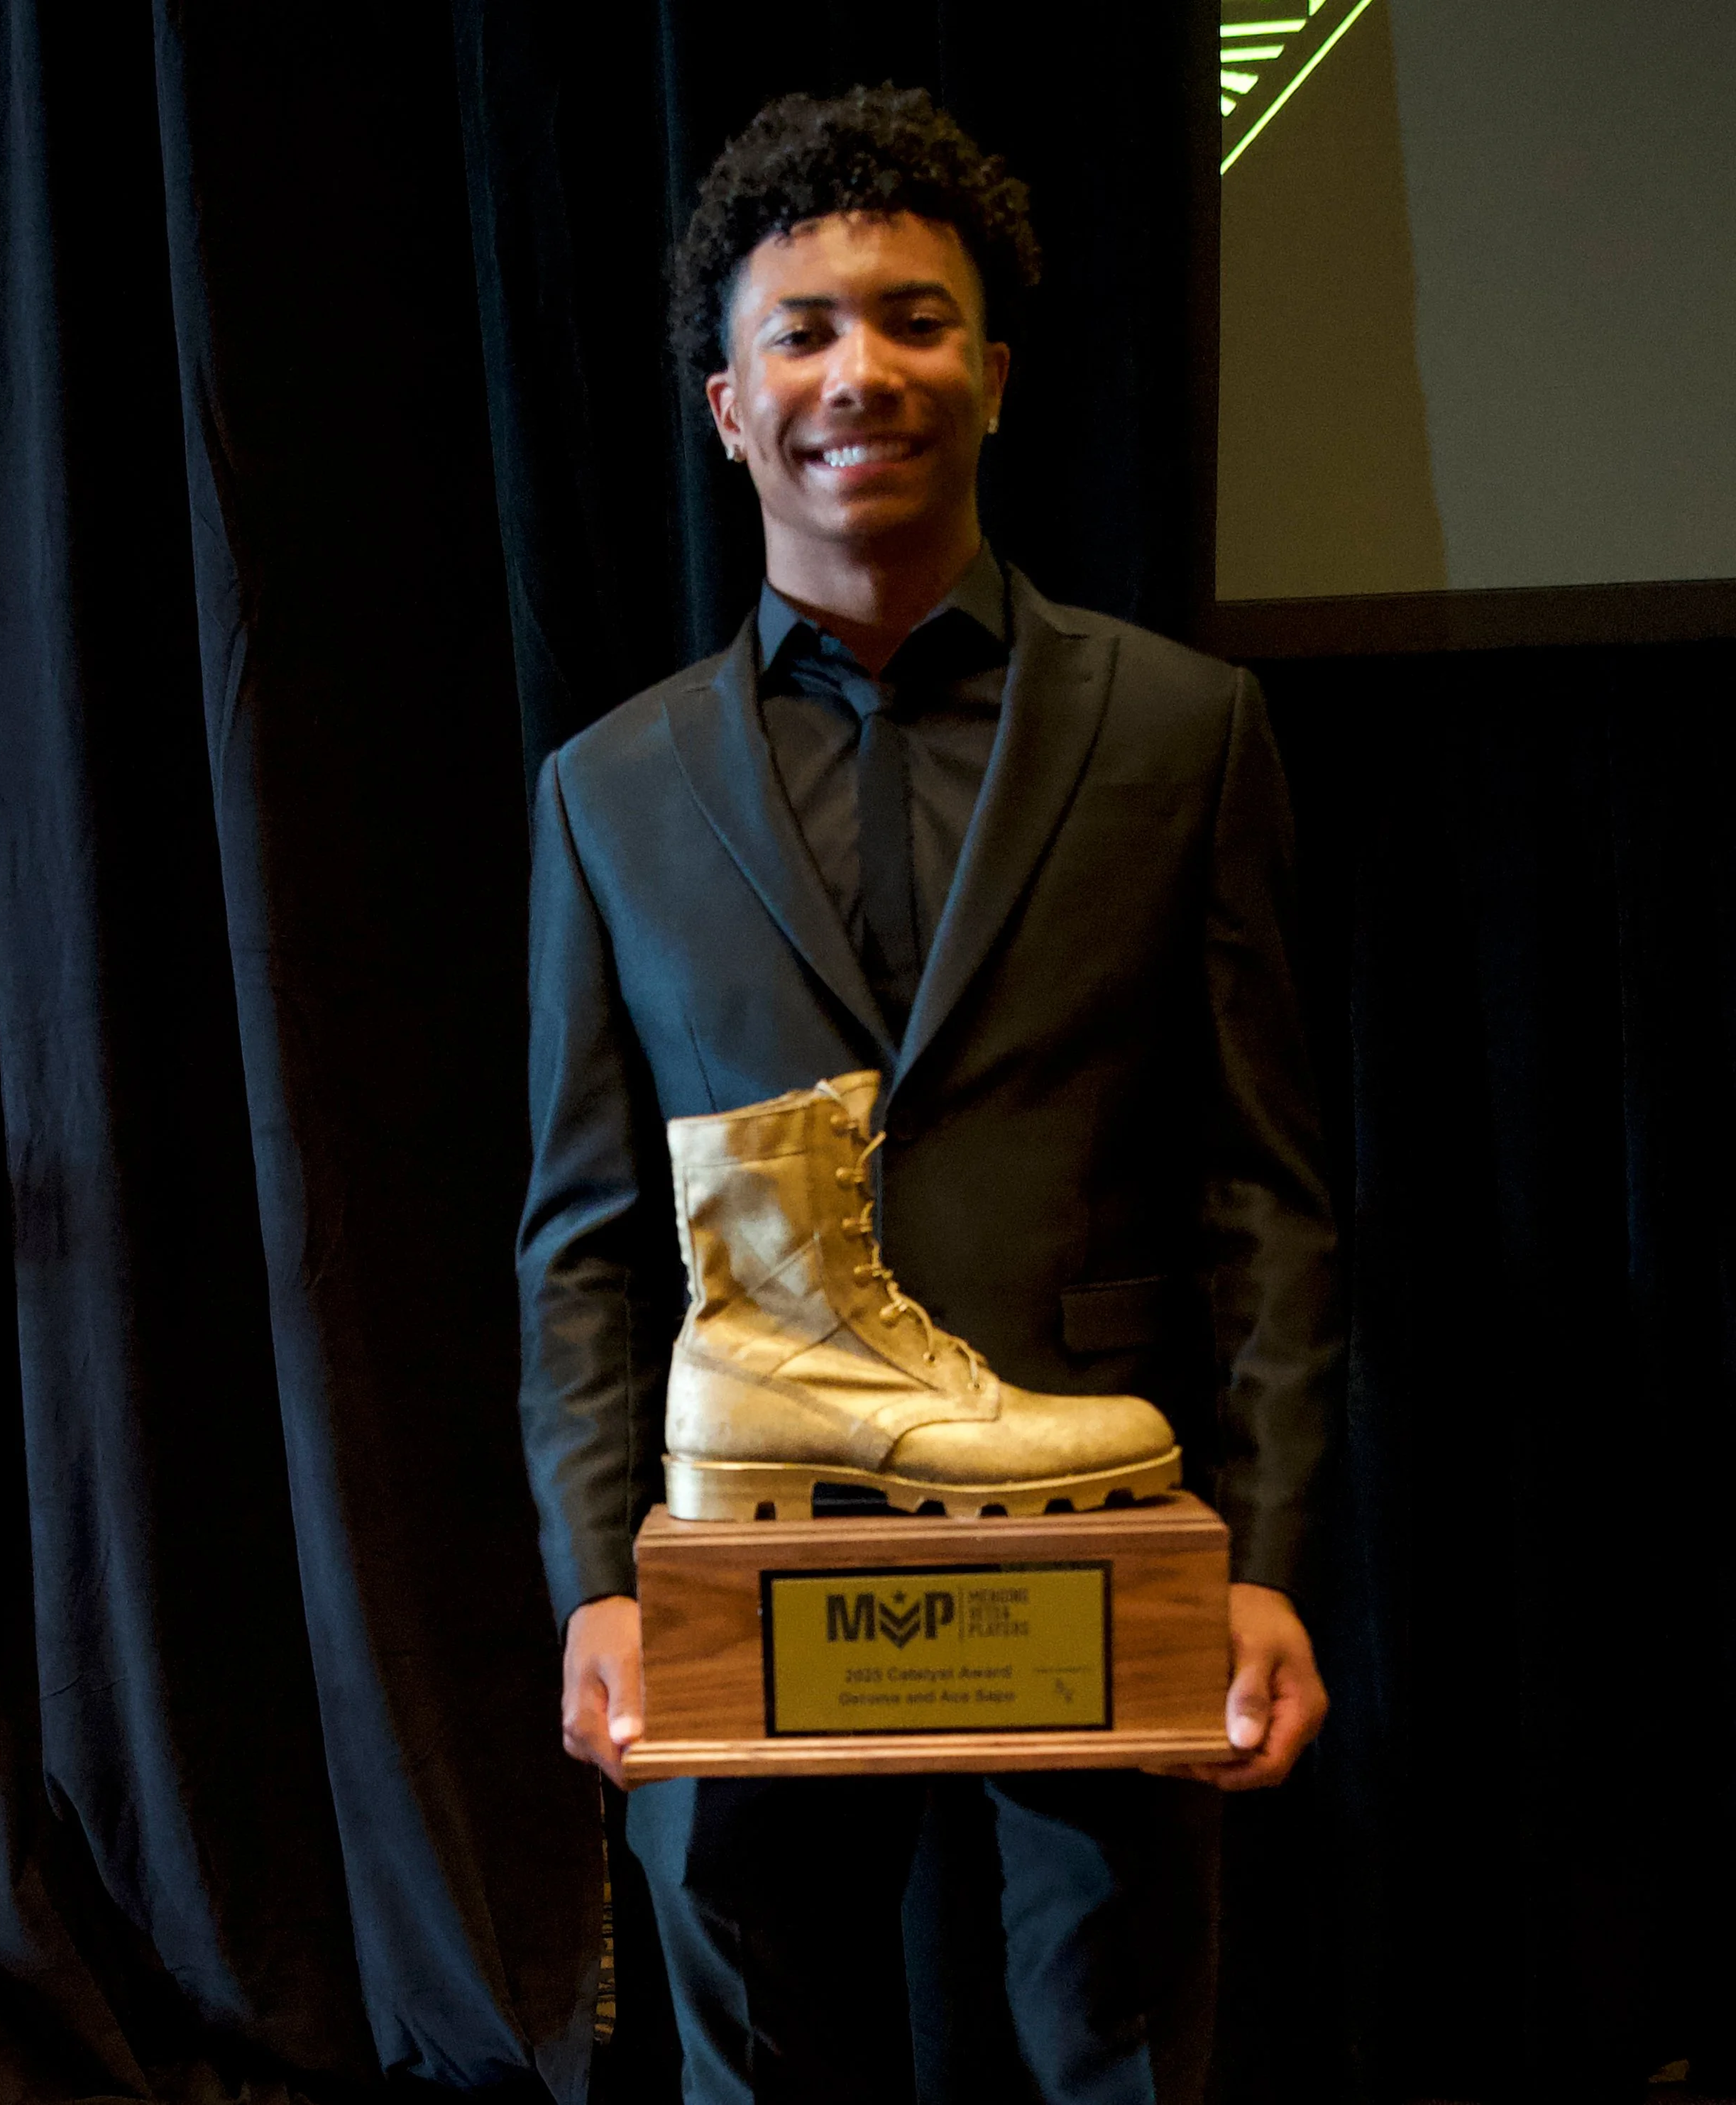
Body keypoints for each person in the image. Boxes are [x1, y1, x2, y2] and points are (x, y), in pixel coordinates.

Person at [517, 84, 1339, 2105]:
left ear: (989, 370)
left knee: (1125, 2052)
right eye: (799, 329)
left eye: (908, 318)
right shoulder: (608, 789)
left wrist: (1266, 1558)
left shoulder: (1180, 726)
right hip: (747, 1551)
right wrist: (597, 1583)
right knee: (758, 2060)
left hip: (1110, 1532)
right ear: (728, 403)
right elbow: (583, 1233)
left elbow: (1262, 1192)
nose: (854, 370)